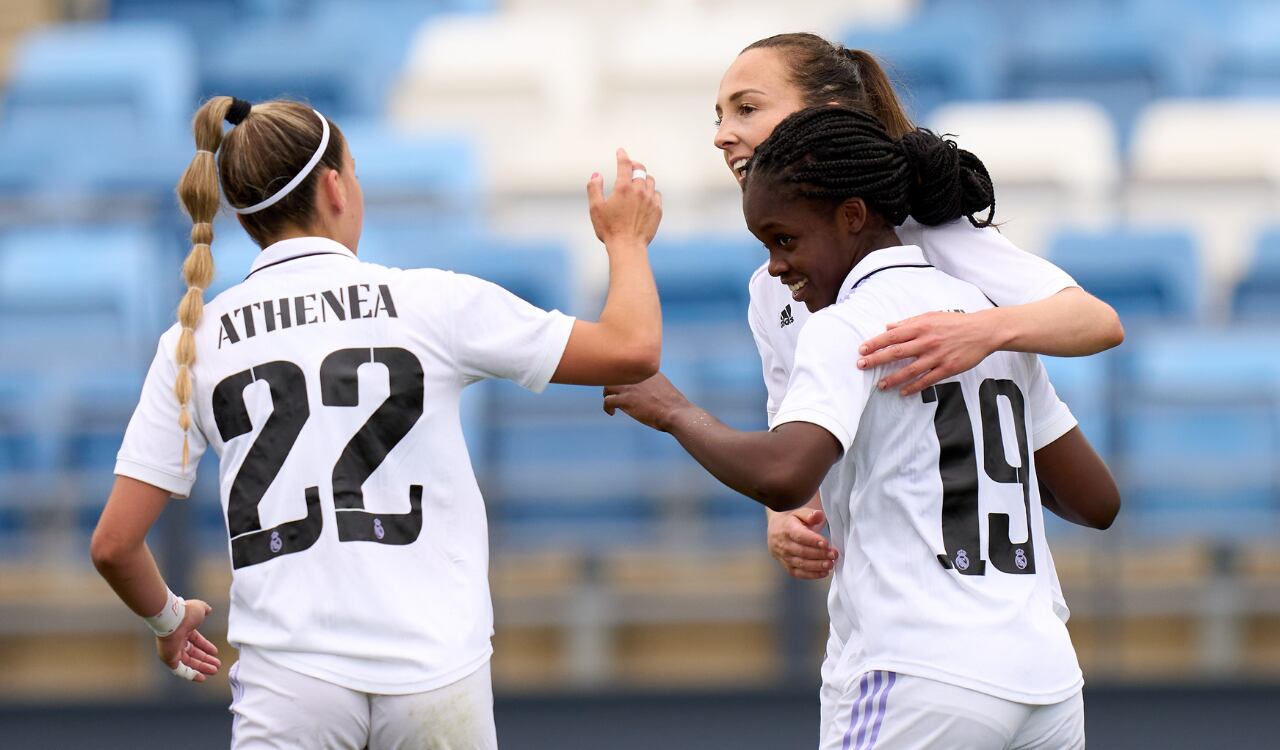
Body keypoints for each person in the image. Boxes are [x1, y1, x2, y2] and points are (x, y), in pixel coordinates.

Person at [89, 95, 663, 749]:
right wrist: (626, 240)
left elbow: (113, 546)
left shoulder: (194, 339)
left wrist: (168, 620)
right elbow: (632, 348)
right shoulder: (432, 300)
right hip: (436, 670)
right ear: (334, 185)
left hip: (289, 684)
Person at [605, 105, 1120, 749]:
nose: (774, 267)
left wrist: (677, 412)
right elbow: (1095, 500)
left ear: (852, 216)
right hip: (1045, 683)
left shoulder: (846, 323)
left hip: (919, 674)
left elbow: (784, 473)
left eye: (784, 241)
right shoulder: (986, 319)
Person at [713, 33, 1124, 580]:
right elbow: (792, 438)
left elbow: (1096, 321)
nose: (723, 135)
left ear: (828, 113)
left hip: (935, 615)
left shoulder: (933, 238)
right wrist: (783, 515)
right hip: (897, 608)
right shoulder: (770, 290)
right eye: (717, 117)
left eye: (747, 108)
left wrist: (981, 332)